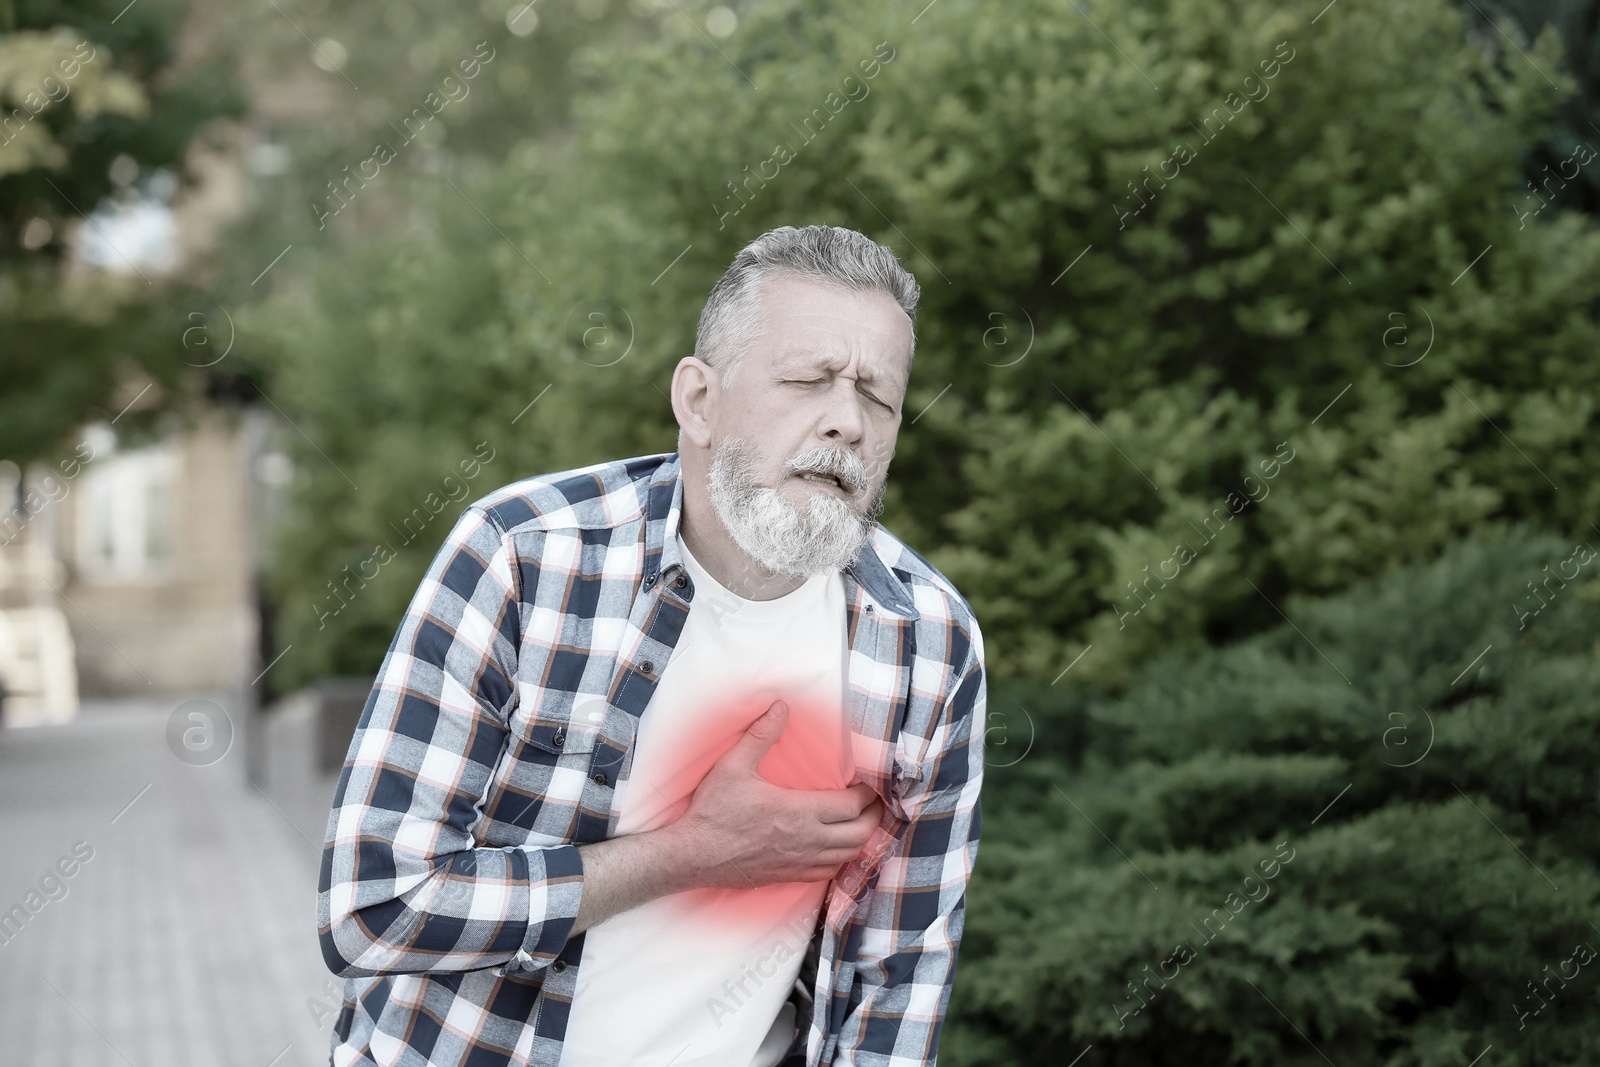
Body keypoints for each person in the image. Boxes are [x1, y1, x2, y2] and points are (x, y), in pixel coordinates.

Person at [317, 224, 988, 1067]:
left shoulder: (928, 640)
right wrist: (689, 853)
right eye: (808, 380)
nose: (847, 422)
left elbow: (896, 980)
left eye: (878, 397)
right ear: (699, 401)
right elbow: (371, 908)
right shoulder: (525, 557)